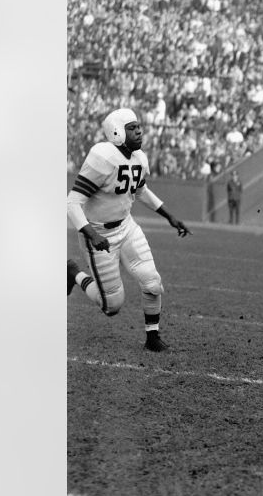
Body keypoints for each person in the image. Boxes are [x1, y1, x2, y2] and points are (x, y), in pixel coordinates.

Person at [67, 108, 191, 352]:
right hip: (99, 233)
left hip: (127, 227)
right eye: (132, 128)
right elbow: (72, 202)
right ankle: (75, 274)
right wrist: (93, 235)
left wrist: (170, 216)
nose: (139, 131)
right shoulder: (102, 157)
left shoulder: (138, 158)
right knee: (111, 306)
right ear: (116, 131)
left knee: (152, 282)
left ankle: (152, 337)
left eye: (139, 126)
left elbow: (141, 190)